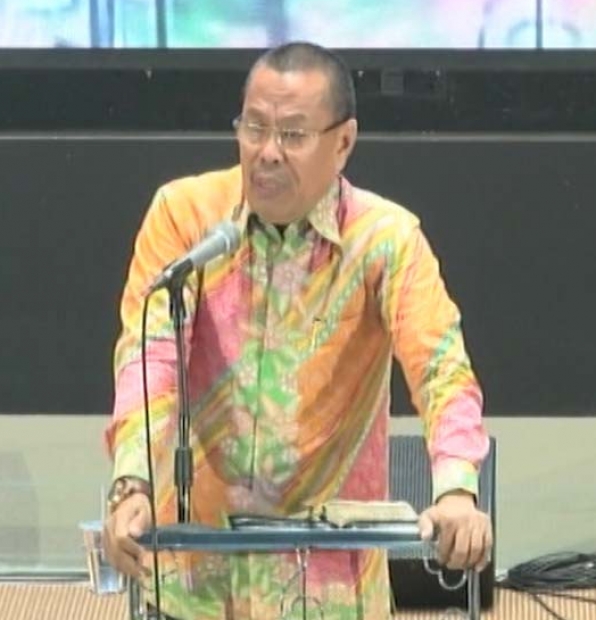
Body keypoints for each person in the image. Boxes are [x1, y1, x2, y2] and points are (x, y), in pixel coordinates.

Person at [103, 41, 492, 620]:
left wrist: (456, 490)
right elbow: (149, 360)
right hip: (195, 576)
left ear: (344, 143)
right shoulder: (186, 218)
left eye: (292, 134)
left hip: (325, 589)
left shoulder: (384, 240)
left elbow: (442, 372)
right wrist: (131, 483)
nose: (267, 153)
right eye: (254, 128)